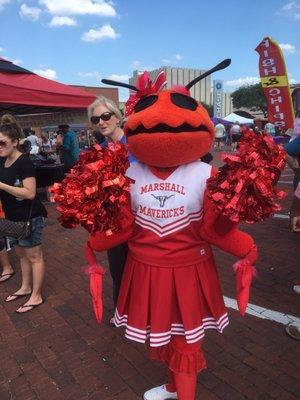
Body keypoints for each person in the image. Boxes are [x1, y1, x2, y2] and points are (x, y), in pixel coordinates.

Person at [88, 96, 135, 313]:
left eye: (105, 116)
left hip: (141, 219)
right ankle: (122, 312)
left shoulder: (137, 144)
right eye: (95, 118)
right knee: (118, 270)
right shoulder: (100, 152)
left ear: (117, 116)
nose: (101, 121)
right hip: (114, 221)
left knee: (142, 269)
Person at [0, 114, 47, 313]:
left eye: (2, 142)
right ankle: (26, 287)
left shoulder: (24, 162)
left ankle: (36, 296)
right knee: (21, 254)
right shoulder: (2, 161)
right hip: (13, 218)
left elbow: (29, 193)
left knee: (34, 255)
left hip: (30, 216)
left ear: (15, 142)